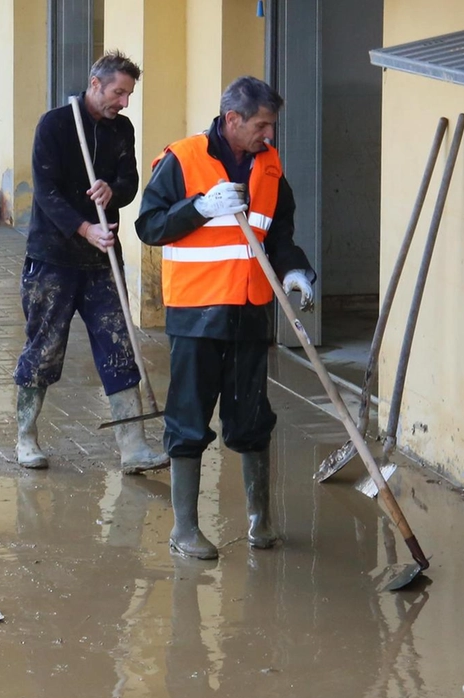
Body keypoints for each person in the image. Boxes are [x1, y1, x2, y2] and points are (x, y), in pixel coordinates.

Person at [134, 76, 316, 559]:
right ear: (232, 120)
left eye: (271, 125)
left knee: (252, 417)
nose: (268, 135)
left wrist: (295, 269)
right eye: (261, 125)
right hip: (196, 315)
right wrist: (200, 207)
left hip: (252, 312)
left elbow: (278, 234)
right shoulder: (184, 159)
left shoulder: (270, 166)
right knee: (189, 418)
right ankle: (185, 530)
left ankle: (261, 521)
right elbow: (148, 225)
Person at [13, 51, 167, 475]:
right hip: (53, 258)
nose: (125, 102)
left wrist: (110, 191)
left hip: (103, 260)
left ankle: (133, 447)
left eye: (129, 93)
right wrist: (84, 229)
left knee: (119, 346)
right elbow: (46, 193)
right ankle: (26, 437)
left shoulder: (122, 130)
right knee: (43, 348)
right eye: (119, 92)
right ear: (95, 84)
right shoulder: (56, 125)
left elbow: (130, 182)